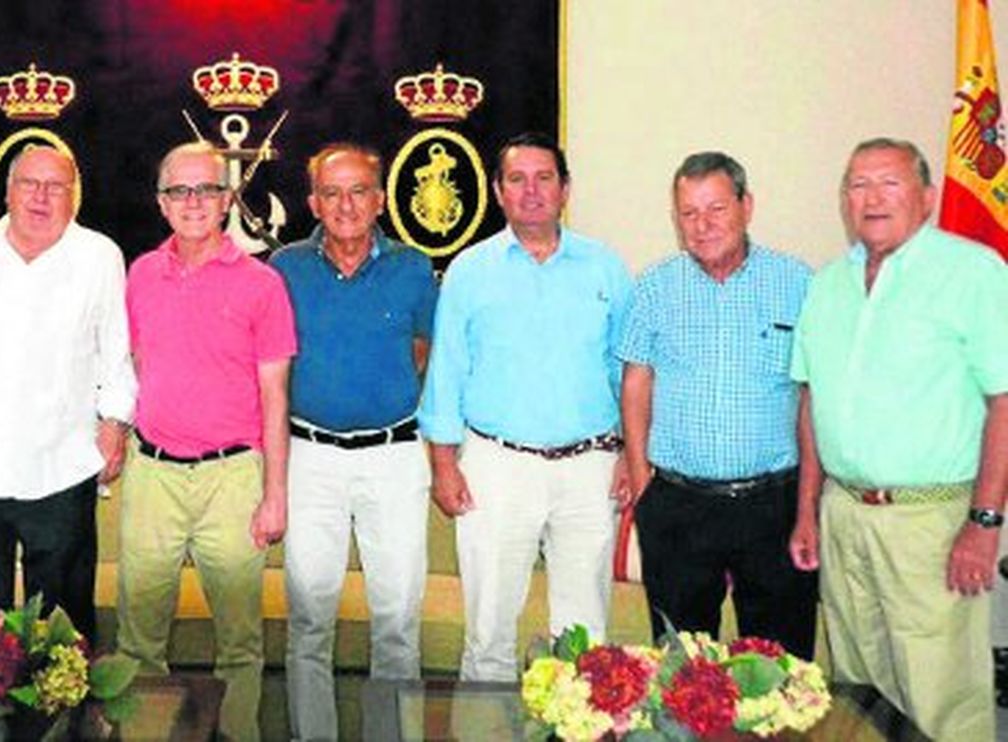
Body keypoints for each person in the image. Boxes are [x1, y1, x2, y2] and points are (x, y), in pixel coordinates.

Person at [788, 137, 1008, 740]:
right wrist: (808, 510)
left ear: (927, 196)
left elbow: (1004, 402)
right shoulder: (827, 284)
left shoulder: (973, 272)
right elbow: (812, 402)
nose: (872, 198)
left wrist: (984, 523)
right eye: (857, 184)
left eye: (889, 182)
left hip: (931, 522)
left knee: (942, 698)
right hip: (844, 515)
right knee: (860, 695)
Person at [418, 131, 632, 682]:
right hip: (496, 464)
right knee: (488, 632)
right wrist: (444, 465)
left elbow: (628, 372)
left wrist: (633, 454)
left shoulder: (606, 268)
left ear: (565, 189)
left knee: (585, 639)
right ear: (497, 191)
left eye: (545, 178)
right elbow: (447, 372)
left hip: (591, 468)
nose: (532, 191)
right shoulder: (469, 270)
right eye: (517, 179)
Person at [119, 141, 296, 741]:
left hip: (232, 477)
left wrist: (274, 494)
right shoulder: (139, 275)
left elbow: (275, 397)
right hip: (153, 475)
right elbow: (135, 366)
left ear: (227, 201)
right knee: (139, 638)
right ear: (162, 203)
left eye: (207, 190)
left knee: (240, 642)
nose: (193, 202)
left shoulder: (262, 284)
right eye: (179, 191)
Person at [0, 145, 131, 641]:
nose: (41, 196)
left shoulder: (99, 255)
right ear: (7, 190)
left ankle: (64, 722)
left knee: (61, 633)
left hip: (61, 465)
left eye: (55, 186)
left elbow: (116, 353)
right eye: (29, 184)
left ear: (73, 196)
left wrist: (114, 425)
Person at [617, 151, 818, 658]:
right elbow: (636, 381)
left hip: (773, 504)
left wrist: (808, 502)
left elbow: (812, 395)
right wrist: (643, 484)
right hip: (679, 506)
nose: (702, 226)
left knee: (781, 670)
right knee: (683, 670)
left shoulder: (799, 285)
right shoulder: (656, 287)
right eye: (688, 213)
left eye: (716, 209)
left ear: (746, 206)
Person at [268, 143, 436, 740]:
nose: (346, 205)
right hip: (309, 459)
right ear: (312, 201)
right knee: (309, 622)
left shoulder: (414, 269)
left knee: (396, 620)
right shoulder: (282, 270)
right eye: (332, 192)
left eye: (359, 190)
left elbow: (421, 356)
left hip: (394, 459)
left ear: (381, 198)